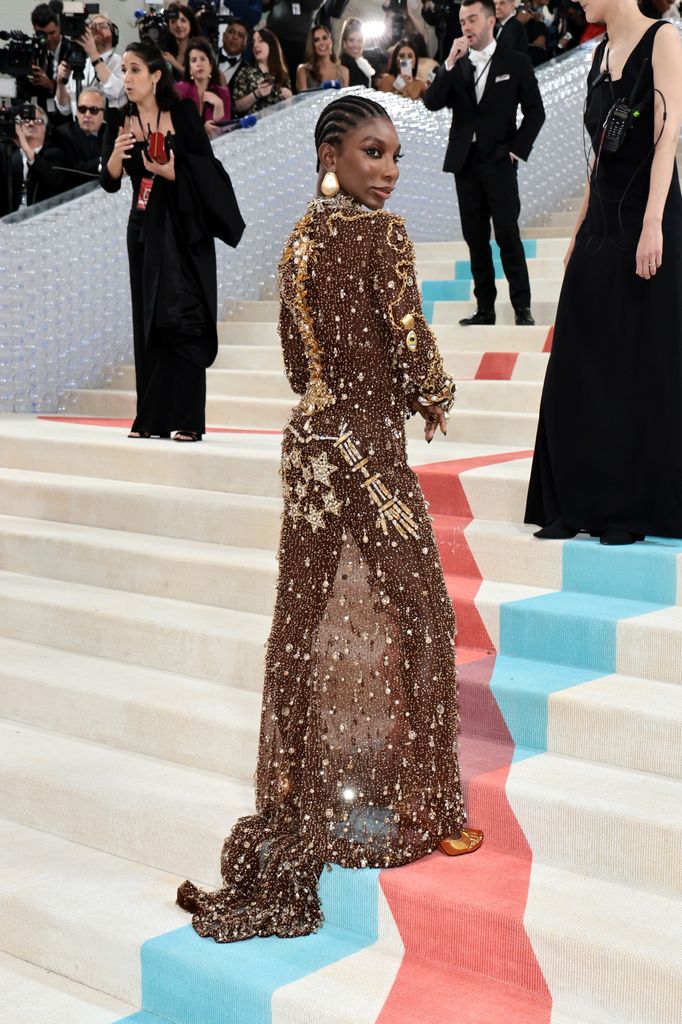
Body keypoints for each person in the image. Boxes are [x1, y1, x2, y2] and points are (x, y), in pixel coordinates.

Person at [176, 93, 483, 945]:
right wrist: (434, 394)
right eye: (373, 153)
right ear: (330, 156)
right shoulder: (382, 238)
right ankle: (434, 809)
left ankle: (293, 796)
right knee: (423, 616)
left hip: (309, 449)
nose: (389, 171)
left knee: (301, 623)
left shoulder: (300, 241)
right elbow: (408, 338)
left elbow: (291, 357)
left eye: (395, 156)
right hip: (366, 452)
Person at [525, 7, 682, 545]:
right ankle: (576, 502)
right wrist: (578, 229)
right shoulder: (598, 54)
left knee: (634, 359)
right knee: (578, 354)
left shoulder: (664, 39)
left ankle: (626, 509)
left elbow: (666, 135)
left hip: (646, 215)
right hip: (601, 220)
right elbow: (598, 154)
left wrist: (654, 222)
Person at [99, 39, 245, 442]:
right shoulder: (119, 119)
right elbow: (108, 182)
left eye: (134, 70)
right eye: (124, 71)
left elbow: (210, 173)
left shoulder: (181, 113)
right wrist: (117, 155)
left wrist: (171, 171)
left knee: (185, 318)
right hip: (143, 228)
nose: (127, 78)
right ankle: (150, 418)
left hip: (184, 226)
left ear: (155, 75)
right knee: (148, 319)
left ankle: (189, 420)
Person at [423, 0, 545, 326]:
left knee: (507, 234)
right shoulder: (457, 64)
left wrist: (517, 150)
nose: (466, 26)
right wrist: (449, 63)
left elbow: (536, 111)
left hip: (500, 161)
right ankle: (485, 309)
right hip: (465, 163)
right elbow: (432, 102)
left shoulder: (515, 61)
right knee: (475, 238)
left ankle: (522, 307)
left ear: (491, 21)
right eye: (462, 21)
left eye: (472, 19)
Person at [0, 104, 71, 215]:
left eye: (37, 121)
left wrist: (25, 145)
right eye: (26, 120)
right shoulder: (10, 156)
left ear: (45, 128)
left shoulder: (55, 154)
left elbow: (54, 182)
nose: (31, 123)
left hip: (43, 216)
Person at [55, 13, 126, 118]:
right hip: (79, 126)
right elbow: (65, 109)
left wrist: (93, 54)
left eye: (102, 26)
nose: (97, 29)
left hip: (110, 126)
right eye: (92, 26)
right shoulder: (80, 62)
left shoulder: (121, 62)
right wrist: (60, 83)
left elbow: (116, 92)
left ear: (113, 34)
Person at [19, 4, 71, 124]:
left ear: (60, 27)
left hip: (66, 120)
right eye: (41, 34)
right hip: (39, 117)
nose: (48, 39)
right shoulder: (34, 50)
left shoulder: (72, 51)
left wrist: (51, 85)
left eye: (52, 33)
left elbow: (77, 93)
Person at [262, 0, 323, 92]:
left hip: (300, 41)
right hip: (275, 36)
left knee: (297, 81)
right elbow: (264, 6)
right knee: (271, 78)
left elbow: (314, 4)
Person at [177, 37, 231, 138]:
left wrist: (219, 105)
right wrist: (202, 129)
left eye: (202, 59)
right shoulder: (180, 90)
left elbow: (225, 132)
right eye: (194, 60)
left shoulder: (222, 94)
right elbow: (177, 126)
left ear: (210, 66)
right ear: (190, 69)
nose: (199, 64)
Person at [232, 28, 293, 113]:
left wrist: (290, 98)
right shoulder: (245, 72)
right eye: (253, 42)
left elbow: (290, 110)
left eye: (260, 41)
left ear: (271, 45)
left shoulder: (282, 74)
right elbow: (236, 107)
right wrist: (256, 94)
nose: (255, 45)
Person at [54, 86, 107, 183]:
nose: (87, 114)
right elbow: (75, 171)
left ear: (103, 114)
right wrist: (104, 160)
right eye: (82, 109)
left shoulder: (111, 132)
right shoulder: (64, 134)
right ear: (77, 112)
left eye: (94, 110)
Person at [295, 24, 349, 91]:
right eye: (316, 40)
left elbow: (345, 97)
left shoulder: (343, 71)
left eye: (325, 38)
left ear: (331, 42)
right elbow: (303, 96)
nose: (322, 43)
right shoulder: (303, 70)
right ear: (312, 45)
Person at [162, 3, 200, 80]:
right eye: (173, 21)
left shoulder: (200, 48)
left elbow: (199, 77)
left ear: (191, 24)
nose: (178, 25)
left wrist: (175, 63)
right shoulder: (165, 47)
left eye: (183, 20)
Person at [339, 18, 375, 87]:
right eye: (351, 40)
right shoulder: (344, 65)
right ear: (344, 43)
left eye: (359, 41)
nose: (356, 45)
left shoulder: (361, 62)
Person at [217, 18, 250, 91]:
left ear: (245, 44)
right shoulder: (208, 56)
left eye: (240, 35)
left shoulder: (248, 72)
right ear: (224, 36)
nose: (235, 37)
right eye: (231, 32)